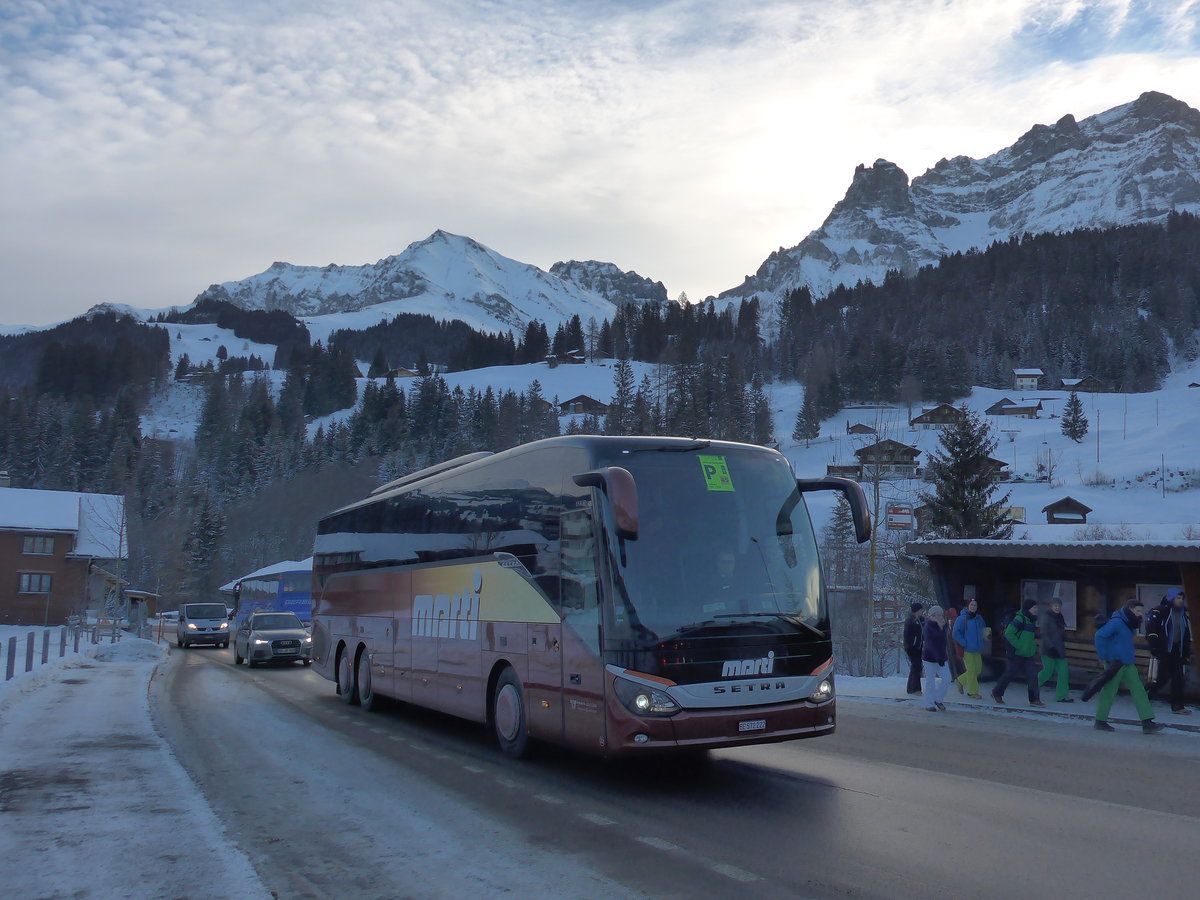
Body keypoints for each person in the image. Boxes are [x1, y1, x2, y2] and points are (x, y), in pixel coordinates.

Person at [1092, 599, 1165, 733]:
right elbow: (1099, 636)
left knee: (1139, 691)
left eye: (1141, 611)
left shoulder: (1129, 623)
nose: (1140, 614)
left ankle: (1147, 722)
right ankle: (1100, 720)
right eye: (1138, 611)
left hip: (1127, 663)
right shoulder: (1117, 622)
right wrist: (1104, 657)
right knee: (1109, 692)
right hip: (1114, 663)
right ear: (1130, 609)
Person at [1146, 588, 1192, 715]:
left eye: (1182, 598)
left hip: (1177, 650)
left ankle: (1177, 706)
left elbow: (1186, 635)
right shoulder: (1161, 611)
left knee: (1178, 679)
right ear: (1171, 598)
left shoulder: (1182, 614)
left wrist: (1186, 653)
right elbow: (1151, 629)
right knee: (1161, 679)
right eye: (1178, 598)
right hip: (1164, 650)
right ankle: (1144, 696)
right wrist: (1155, 646)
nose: (1180, 601)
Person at [992, 598, 1045, 706]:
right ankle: (996, 692)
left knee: (1033, 676)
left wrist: (1032, 648)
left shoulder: (1031, 620)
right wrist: (1019, 646)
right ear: (1028, 608)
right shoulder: (1020, 619)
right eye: (1034, 608)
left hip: (1028, 654)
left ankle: (1034, 700)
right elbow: (1009, 633)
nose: (1036, 610)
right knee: (1010, 675)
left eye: (1037, 608)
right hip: (1017, 654)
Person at [1036, 598, 1072, 702]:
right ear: (1051, 606)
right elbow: (1044, 634)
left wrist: (1064, 636)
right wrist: (1051, 647)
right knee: (1047, 672)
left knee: (1064, 672)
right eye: (1055, 606)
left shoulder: (1060, 617)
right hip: (1048, 650)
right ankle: (1033, 686)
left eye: (1059, 606)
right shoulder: (1046, 617)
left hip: (1059, 649)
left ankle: (1062, 696)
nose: (1057, 608)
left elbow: (1060, 632)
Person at [953, 598, 988, 698]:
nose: (973, 607)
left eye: (975, 605)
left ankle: (960, 680)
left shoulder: (979, 618)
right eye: (971, 605)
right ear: (968, 606)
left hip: (977, 649)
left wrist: (986, 637)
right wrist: (964, 643)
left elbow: (984, 629)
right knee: (972, 670)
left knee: (978, 670)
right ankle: (972, 692)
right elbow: (956, 632)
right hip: (967, 649)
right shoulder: (962, 618)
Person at [922, 605, 951, 711]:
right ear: (932, 616)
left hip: (942, 657)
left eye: (941, 615)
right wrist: (938, 658)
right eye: (938, 615)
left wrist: (942, 627)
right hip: (930, 658)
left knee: (947, 678)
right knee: (930, 681)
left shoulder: (943, 625)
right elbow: (930, 644)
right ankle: (929, 703)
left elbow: (943, 642)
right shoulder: (928, 627)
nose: (940, 617)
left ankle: (938, 699)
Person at [903, 603, 925, 695]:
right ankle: (915, 689)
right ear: (916, 610)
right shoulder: (910, 621)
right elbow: (907, 636)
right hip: (912, 648)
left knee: (916, 666)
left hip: (919, 647)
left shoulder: (921, 620)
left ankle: (911, 688)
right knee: (916, 666)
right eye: (920, 610)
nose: (922, 611)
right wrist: (909, 647)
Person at [944, 606, 966, 689]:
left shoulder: (949, 622)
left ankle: (954, 675)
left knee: (952, 660)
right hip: (956, 644)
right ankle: (962, 674)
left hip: (950, 644)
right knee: (959, 660)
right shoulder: (957, 620)